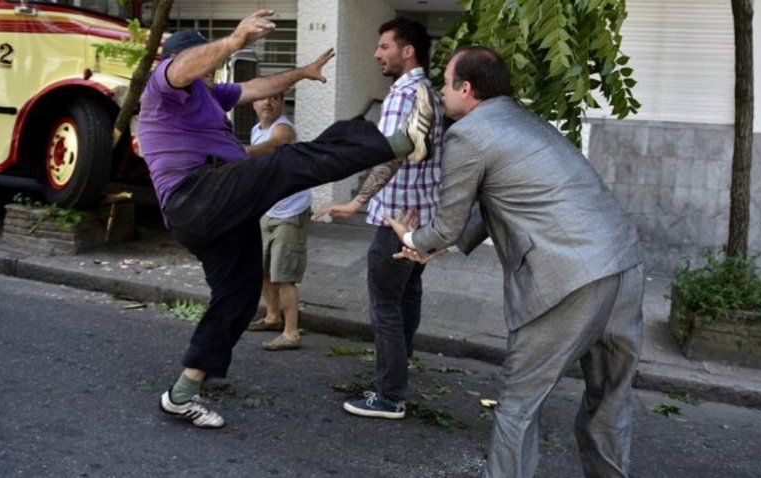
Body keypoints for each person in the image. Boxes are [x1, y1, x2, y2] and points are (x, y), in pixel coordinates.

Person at [138, 10, 436, 429]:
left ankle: (181, 393)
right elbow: (184, 67)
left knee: (238, 297)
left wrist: (303, 72)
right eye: (204, 67)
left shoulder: (209, 94)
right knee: (287, 162)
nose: (210, 76)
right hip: (196, 196)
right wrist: (235, 40)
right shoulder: (162, 88)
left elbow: (257, 86)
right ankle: (402, 142)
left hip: (222, 209)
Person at [386, 46, 645, 478]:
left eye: (445, 82)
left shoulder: (467, 134)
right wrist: (440, 246)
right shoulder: (524, 120)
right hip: (623, 262)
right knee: (611, 397)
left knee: (519, 405)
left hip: (567, 278)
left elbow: (447, 224)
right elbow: (500, 202)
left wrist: (414, 237)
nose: (440, 92)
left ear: (465, 88)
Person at [314, 17, 444, 420]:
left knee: (386, 304)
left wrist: (355, 203)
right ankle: (396, 377)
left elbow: (390, 153)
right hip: (420, 219)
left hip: (396, 220)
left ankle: (389, 396)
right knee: (405, 299)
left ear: (407, 51)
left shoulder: (406, 93)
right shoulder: (431, 93)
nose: (376, 54)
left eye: (384, 46)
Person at [243, 92, 310, 351]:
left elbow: (275, 144)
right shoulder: (255, 129)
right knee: (265, 270)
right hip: (267, 210)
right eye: (262, 98)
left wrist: (243, 152)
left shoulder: (284, 128)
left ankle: (291, 333)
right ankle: (272, 317)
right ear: (254, 103)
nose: (267, 103)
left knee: (284, 276)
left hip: (290, 212)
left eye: (274, 98)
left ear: (282, 103)